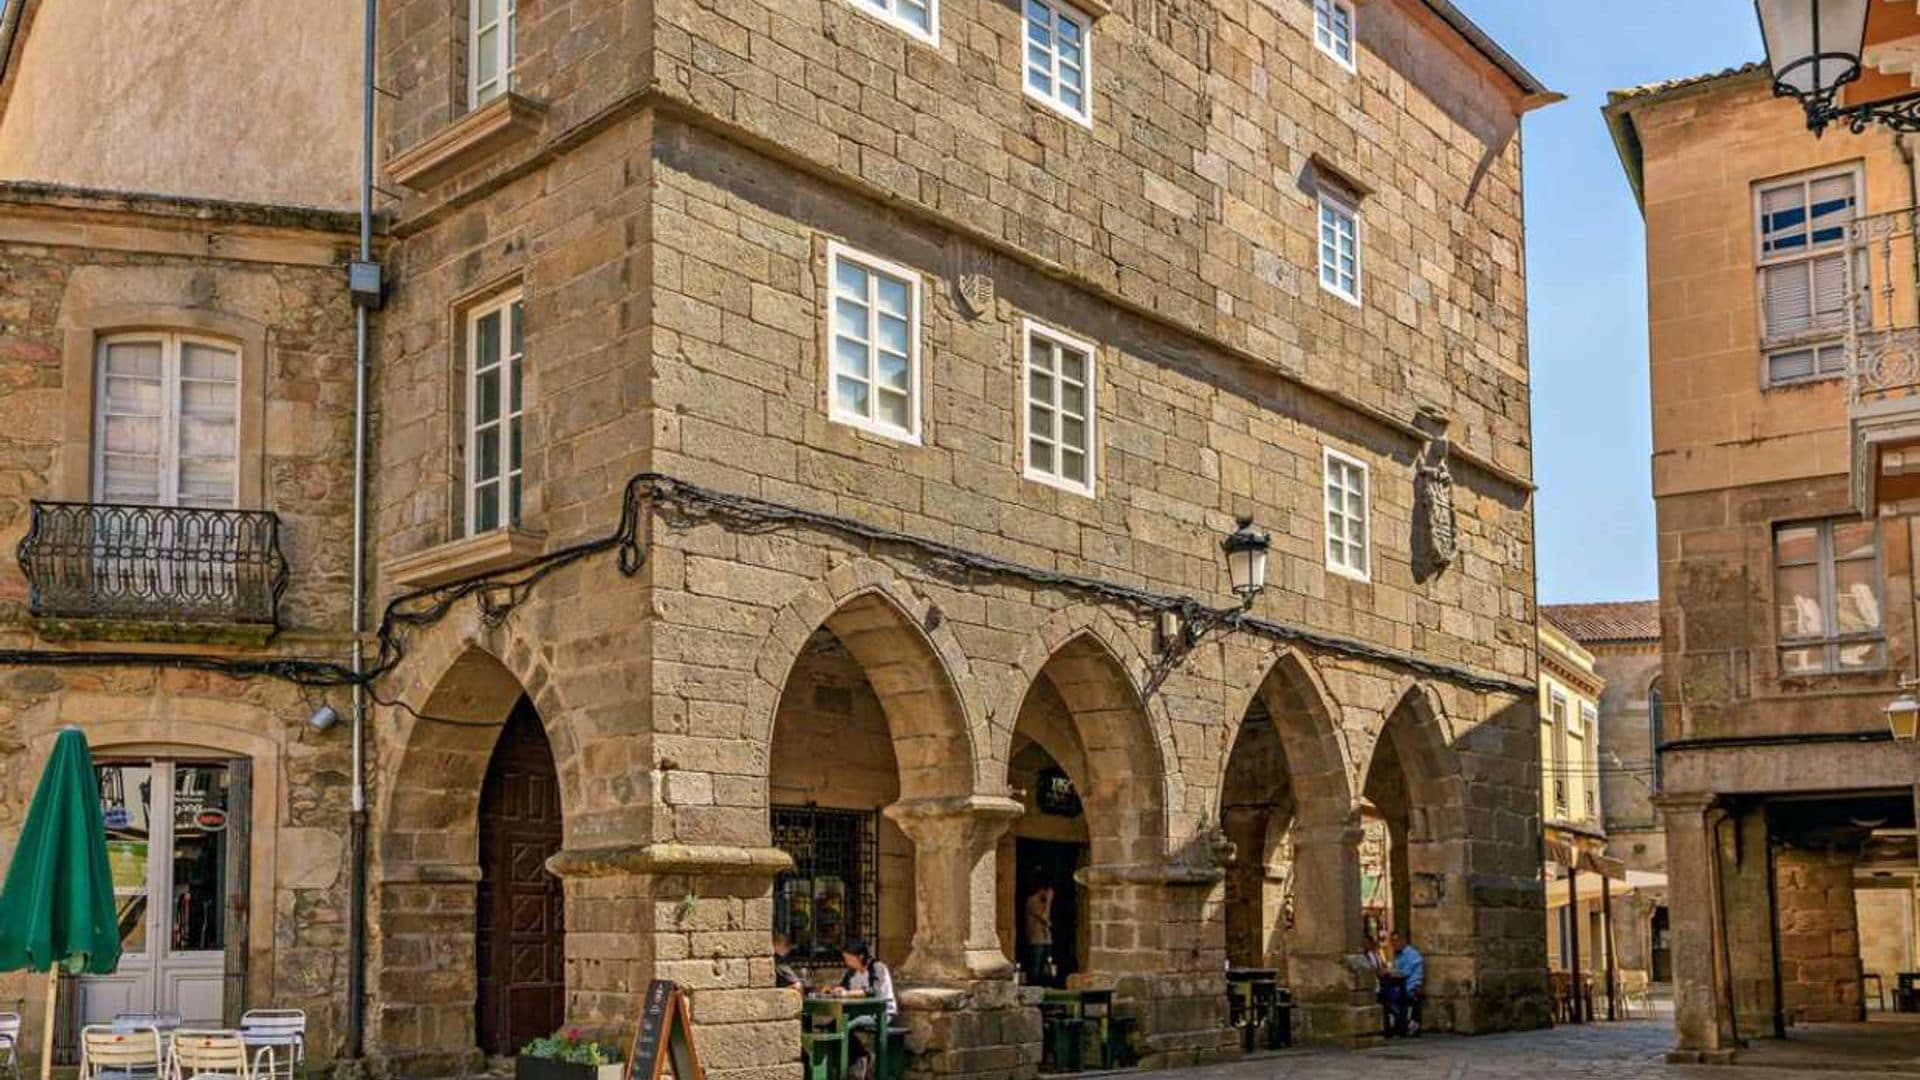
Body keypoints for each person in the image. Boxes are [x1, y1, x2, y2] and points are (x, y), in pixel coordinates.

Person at [832, 939, 897, 1079]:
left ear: (860, 956)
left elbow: (875, 992)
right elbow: (843, 988)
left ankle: (859, 1059)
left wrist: (848, 994)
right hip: (861, 1012)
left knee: (846, 1025)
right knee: (833, 1025)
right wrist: (835, 990)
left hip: (882, 1013)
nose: (847, 962)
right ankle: (857, 1058)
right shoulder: (851, 973)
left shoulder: (877, 968)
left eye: (849, 959)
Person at [1381, 930, 1425, 1037]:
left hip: (1410, 987)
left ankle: (1402, 1023)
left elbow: (1404, 973)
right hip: (1399, 986)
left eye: (1396, 941)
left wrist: (1389, 972)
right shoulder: (1398, 956)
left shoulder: (1412, 955)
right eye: (1392, 942)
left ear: (1403, 941)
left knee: (1387, 996)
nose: (1394, 944)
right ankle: (1396, 1023)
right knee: (1382, 995)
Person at [1024, 885, 1055, 985]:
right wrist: (1049, 901)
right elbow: (1045, 917)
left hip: (1046, 938)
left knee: (1048, 965)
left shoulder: (1043, 902)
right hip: (1037, 939)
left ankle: (1047, 984)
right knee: (1036, 968)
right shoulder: (1032, 902)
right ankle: (1034, 987)